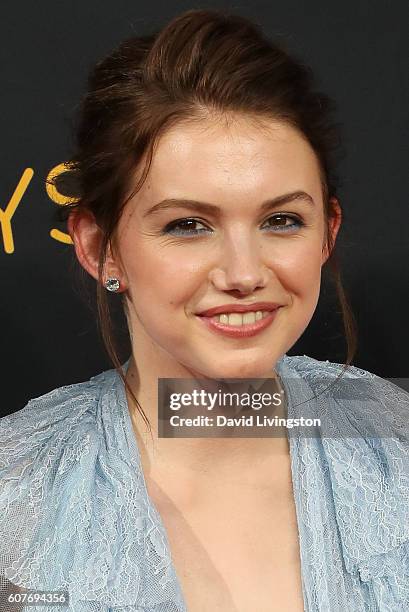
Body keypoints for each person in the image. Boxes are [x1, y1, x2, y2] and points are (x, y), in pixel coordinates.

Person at [1, 8, 408, 612]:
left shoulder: (395, 445)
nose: (244, 274)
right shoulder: (18, 492)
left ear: (327, 232)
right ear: (99, 246)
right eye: (188, 225)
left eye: (282, 221)